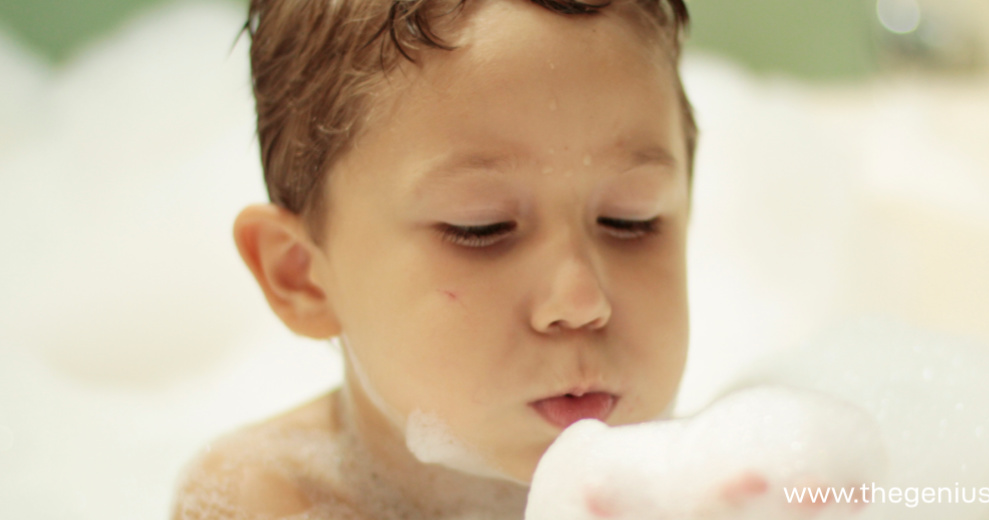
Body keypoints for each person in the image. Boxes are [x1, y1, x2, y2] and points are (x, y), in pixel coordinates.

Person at [173, 0, 697, 518]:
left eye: (632, 220)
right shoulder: (267, 497)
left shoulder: (722, 477)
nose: (581, 302)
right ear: (301, 275)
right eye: (480, 228)